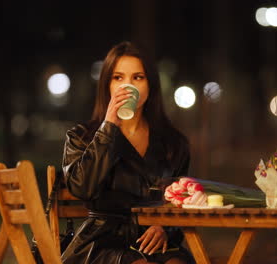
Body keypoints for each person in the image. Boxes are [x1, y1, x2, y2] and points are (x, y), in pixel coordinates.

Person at [61, 41, 195, 264]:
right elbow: (83, 188)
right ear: (107, 86)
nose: (127, 85)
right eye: (118, 77)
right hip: (100, 244)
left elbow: (179, 200)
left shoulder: (173, 143)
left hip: (154, 243)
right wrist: (108, 128)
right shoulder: (81, 137)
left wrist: (164, 226)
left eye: (138, 77)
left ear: (150, 84)